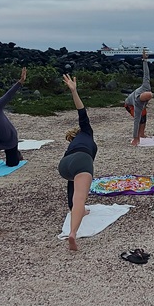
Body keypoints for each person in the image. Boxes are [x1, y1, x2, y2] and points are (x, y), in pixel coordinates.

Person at [58, 74, 97, 251]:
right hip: (82, 160)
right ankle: (73, 233)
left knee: (74, 190)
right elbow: (82, 112)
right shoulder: (86, 132)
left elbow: (71, 185)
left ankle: (78, 210)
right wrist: (74, 91)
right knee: (80, 197)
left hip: (64, 165)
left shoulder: (72, 144)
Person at [124, 49, 153, 146]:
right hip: (128, 104)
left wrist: (144, 60)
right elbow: (135, 121)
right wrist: (134, 139)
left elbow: (146, 74)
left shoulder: (146, 86)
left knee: (144, 115)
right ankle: (137, 136)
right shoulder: (138, 103)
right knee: (140, 118)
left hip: (139, 103)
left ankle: (142, 134)